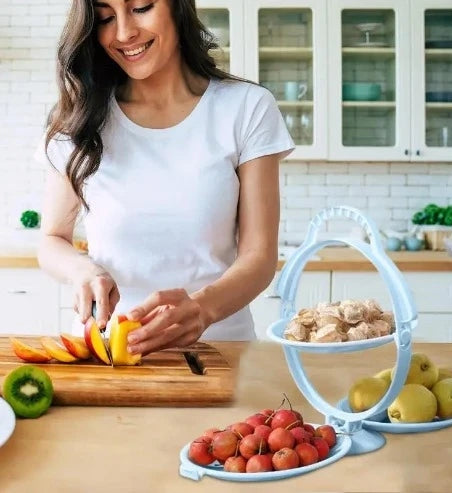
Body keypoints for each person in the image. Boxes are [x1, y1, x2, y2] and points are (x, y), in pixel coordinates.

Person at [35, 0, 294, 355]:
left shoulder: (245, 107)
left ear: (177, 8)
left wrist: (202, 309)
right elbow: (52, 240)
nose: (124, 33)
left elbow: (259, 256)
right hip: (109, 349)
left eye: (141, 7)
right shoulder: (78, 119)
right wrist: (84, 271)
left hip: (220, 351)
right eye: (106, 17)